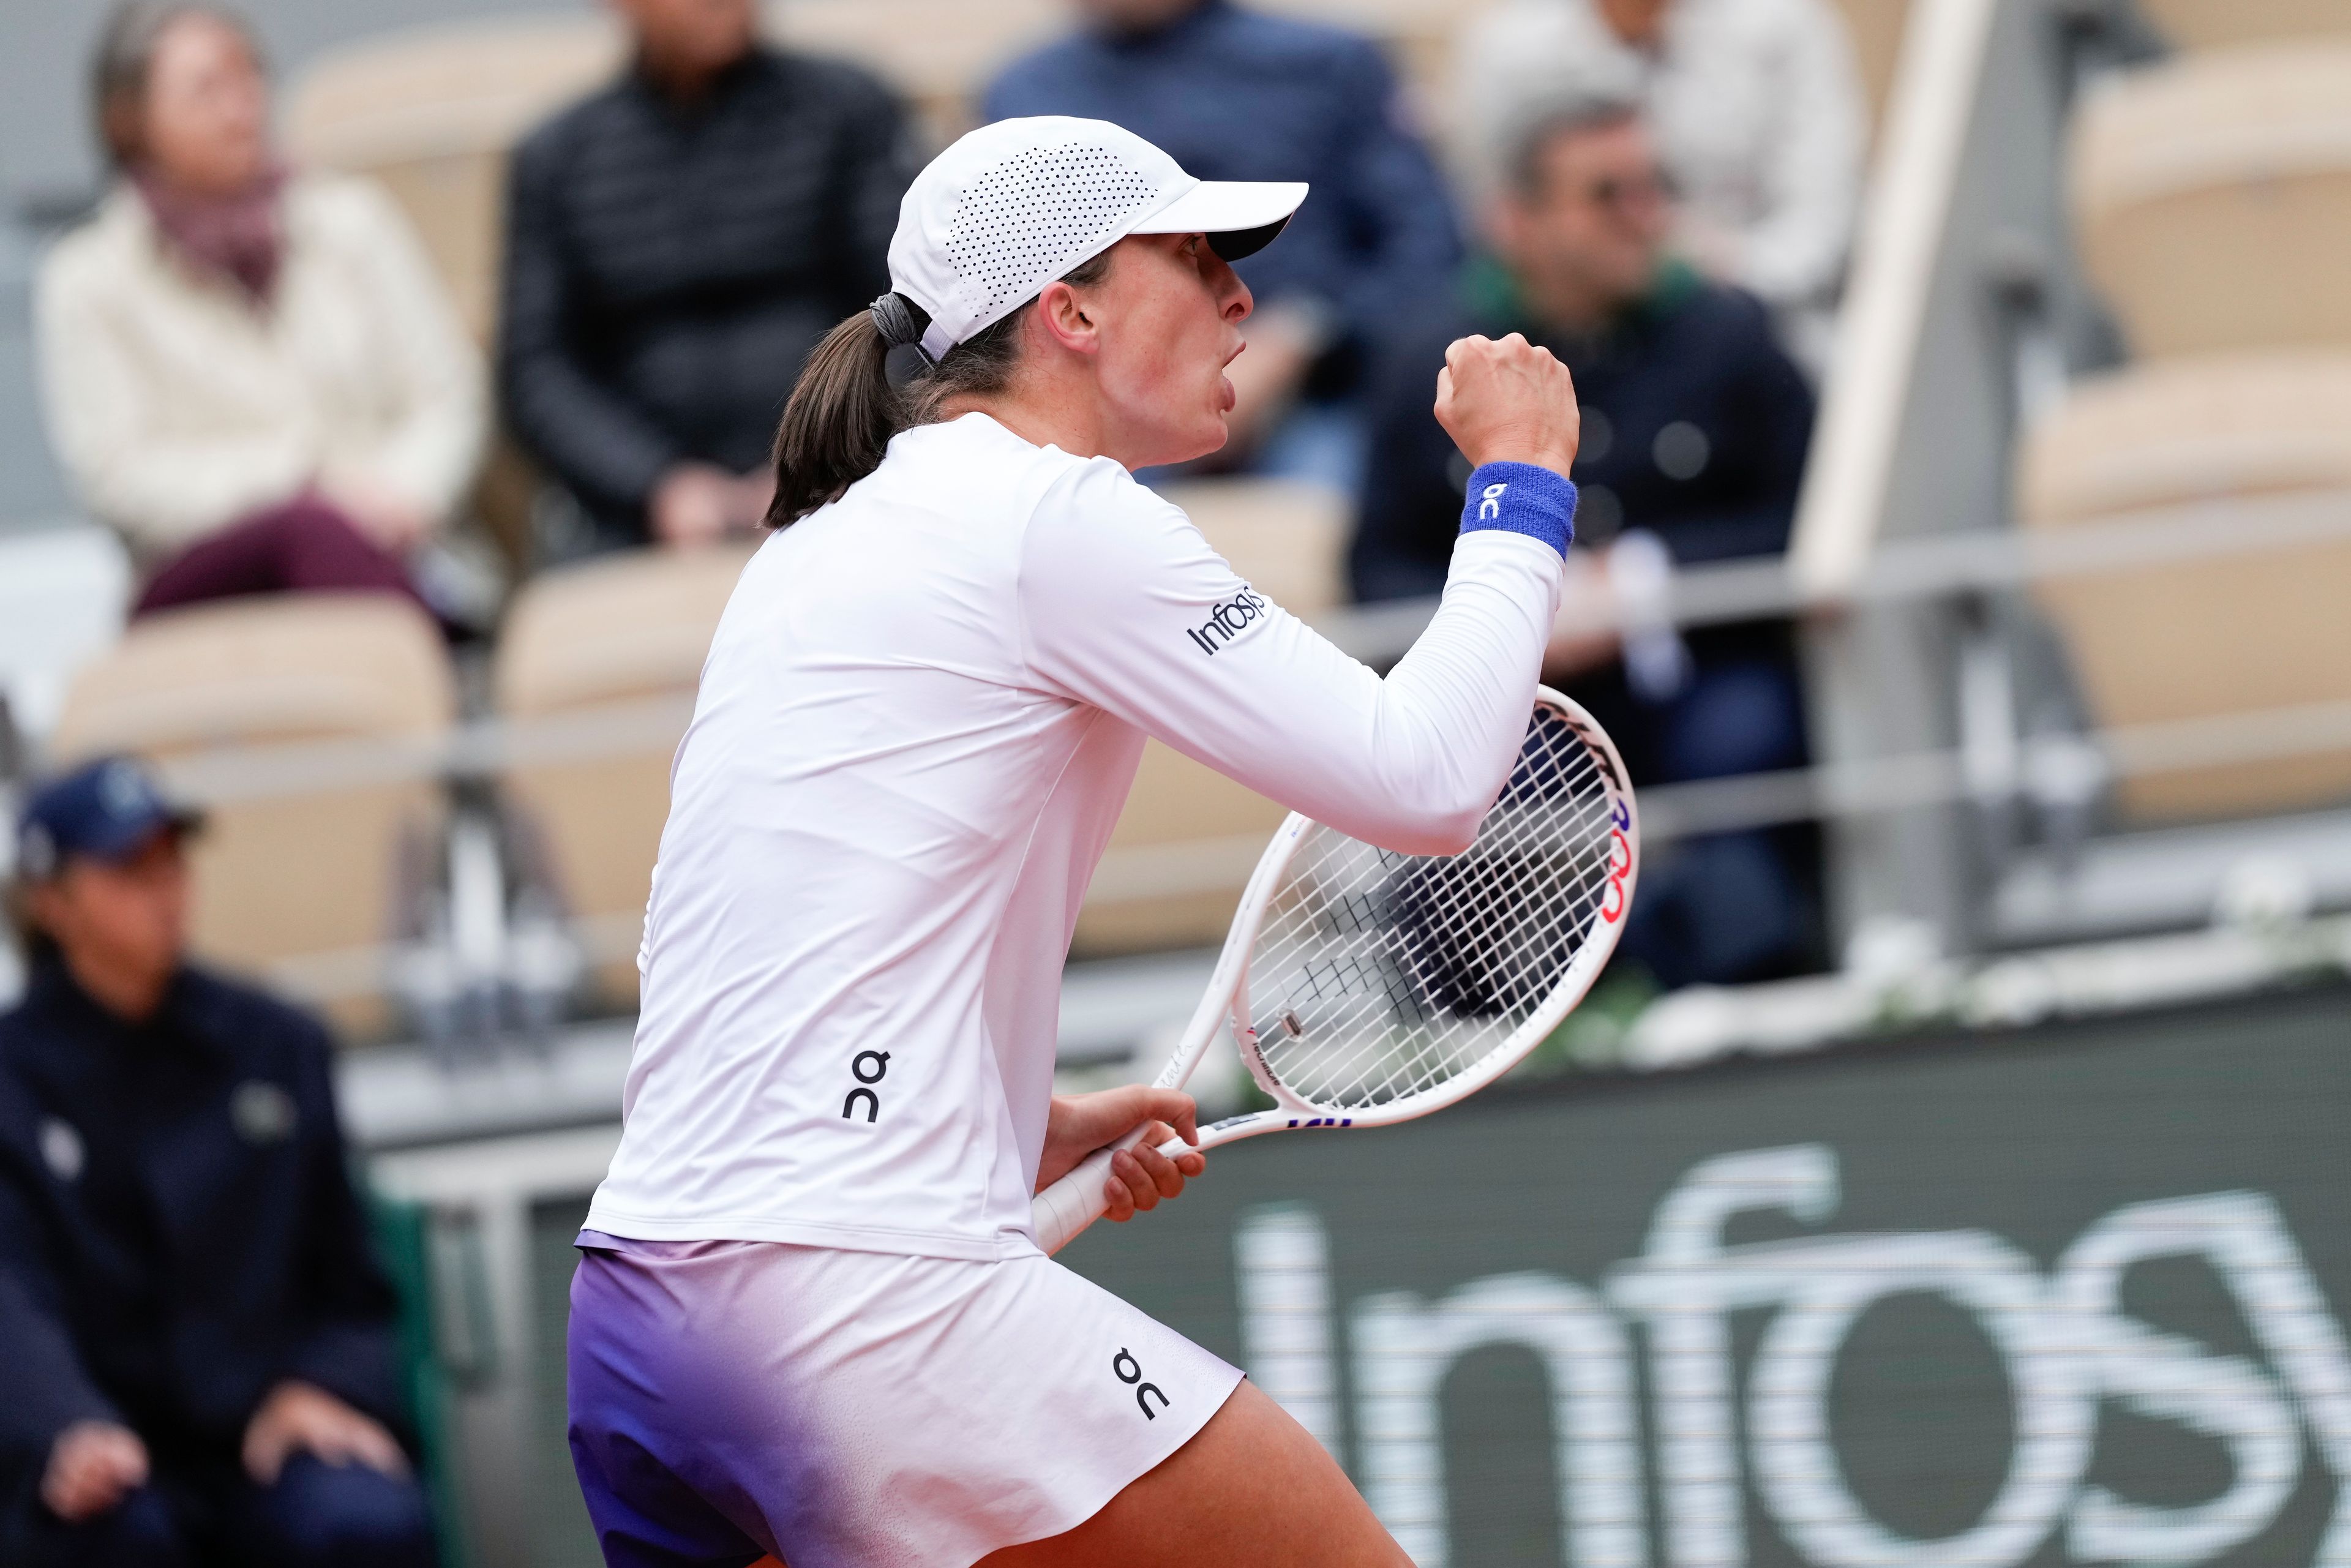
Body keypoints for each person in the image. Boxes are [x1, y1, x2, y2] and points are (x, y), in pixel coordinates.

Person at [564, 116, 1580, 1566]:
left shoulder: (813, 538)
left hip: (638, 1324)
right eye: (1199, 257)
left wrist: (1013, 1119)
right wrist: (1521, 479)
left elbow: (774, 952)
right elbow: (1426, 780)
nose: (1241, 297)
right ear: (1071, 311)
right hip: (856, 1304)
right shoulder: (1053, 519)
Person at [1354, 91, 1820, 989]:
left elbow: (1802, 516)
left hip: (1701, 663)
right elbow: (1380, 567)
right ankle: (1506, 1015)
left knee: (1746, 742)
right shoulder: (1432, 363)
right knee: (1471, 794)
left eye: (1655, 188)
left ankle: (1753, 990)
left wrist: (1638, 585)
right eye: (1608, 194)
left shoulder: (1729, 333)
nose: (1643, 216)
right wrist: (1510, 617)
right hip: (1524, 698)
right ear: (1516, 220)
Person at [0, 757, 436, 1567]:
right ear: (53, 902)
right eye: (130, 869)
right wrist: (65, 1423)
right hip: (98, 1445)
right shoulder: (10, 1079)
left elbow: (350, 1277)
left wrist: (320, 1383)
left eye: (172, 860)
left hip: (265, 1433)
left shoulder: (276, 1042)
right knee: (113, 1537)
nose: (165, 888)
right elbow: (8, 1294)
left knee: (360, 1521)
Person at [36, 2, 488, 623]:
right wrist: (304, 488)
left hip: (394, 543)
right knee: (310, 534)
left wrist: (403, 496)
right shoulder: (87, 279)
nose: (239, 106)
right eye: (206, 88)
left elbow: (448, 393)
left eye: (249, 77)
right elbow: (118, 475)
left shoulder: (348, 219)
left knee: (334, 547)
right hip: (204, 577)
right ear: (128, 120)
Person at [984, 0, 1461, 490]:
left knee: (1344, 492)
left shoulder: (1324, 64)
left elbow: (1426, 249)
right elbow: (1001, 295)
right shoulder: (1025, 91)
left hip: (1317, 393)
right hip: (1104, 397)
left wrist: (1307, 332)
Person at [500, 0, 917, 557]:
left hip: (855, 472)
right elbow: (537, 369)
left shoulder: (847, 107)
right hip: (633, 513)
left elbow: (913, 310)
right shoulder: (558, 156)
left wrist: (826, 455)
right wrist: (655, 484)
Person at [1454, 0, 1864, 369]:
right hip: (1566, 310)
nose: (1638, 210)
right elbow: (1494, 217)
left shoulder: (1781, 25)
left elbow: (1822, 226)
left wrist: (1703, 274)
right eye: (1612, 193)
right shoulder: (1509, 45)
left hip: (1756, 315)